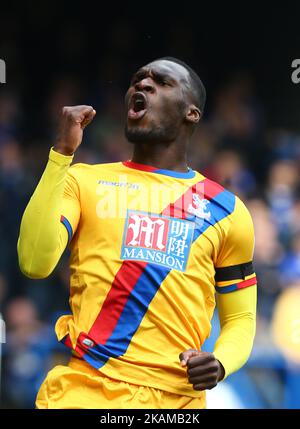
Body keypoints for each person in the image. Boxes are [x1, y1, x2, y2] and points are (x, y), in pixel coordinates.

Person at [17, 57, 257, 409]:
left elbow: (240, 319)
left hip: (176, 404)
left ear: (191, 113)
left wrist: (220, 363)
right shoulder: (84, 181)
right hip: (87, 392)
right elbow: (34, 262)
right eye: (138, 79)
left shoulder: (227, 211)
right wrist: (62, 154)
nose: (142, 85)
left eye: (161, 82)